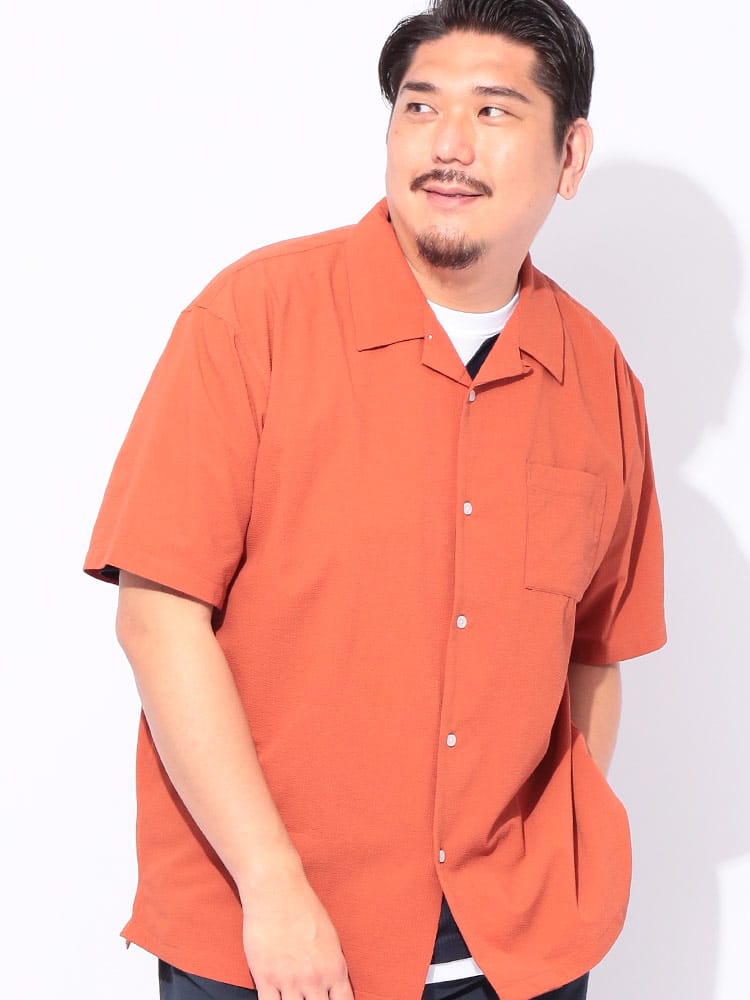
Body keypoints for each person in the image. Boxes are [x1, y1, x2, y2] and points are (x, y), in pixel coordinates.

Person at [85, 1, 666, 998]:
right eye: (420, 106)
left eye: (493, 111)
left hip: (515, 958)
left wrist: (552, 870)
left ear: (570, 156)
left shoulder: (598, 376)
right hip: (268, 948)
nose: (448, 145)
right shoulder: (253, 319)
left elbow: (595, 650)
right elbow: (158, 616)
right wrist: (272, 885)